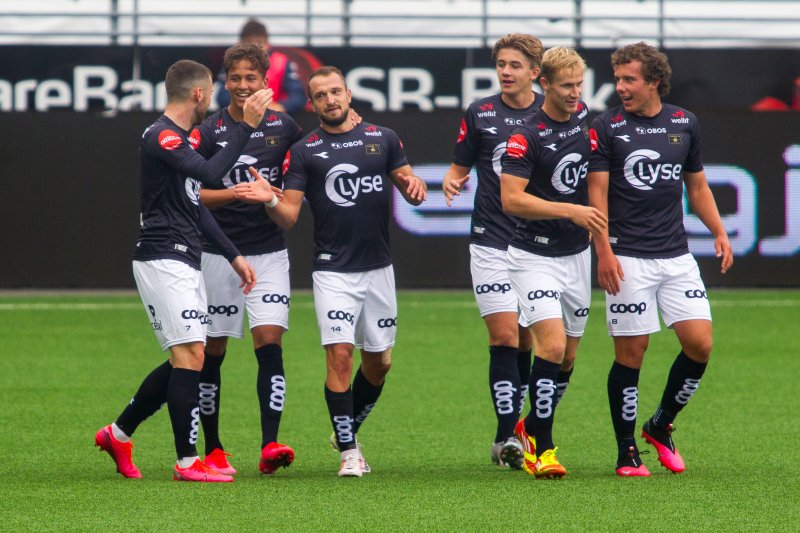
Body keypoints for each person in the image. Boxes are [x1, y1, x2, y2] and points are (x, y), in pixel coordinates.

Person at [234, 66, 427, 477]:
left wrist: (413, 186)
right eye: (321, 95)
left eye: (335, 92)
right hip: (332, 272)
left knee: (380, 363)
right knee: (340, 358)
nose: (330, 100)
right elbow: (288, 216)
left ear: (349, 93)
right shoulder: (305, 150)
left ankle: (345, 428)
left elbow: (406, 179)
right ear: (313, 103)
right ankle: (349, 452)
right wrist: (270, 197)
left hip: (378, 269)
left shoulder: (383, 138)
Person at [94, 59, 271, 482]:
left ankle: (118, 434)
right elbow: (209, 174)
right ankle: (188, 461)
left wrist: (232, 254)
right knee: (192, 354)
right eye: (211, 90)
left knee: (184, 359)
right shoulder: (161, 135)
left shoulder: (185, 138)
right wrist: (247, 125)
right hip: (161, 256)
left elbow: (194, 204)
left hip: (185, 257)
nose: (212, 98)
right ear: (197, 93)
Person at [587, 42, 733, 477]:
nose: (621, 88)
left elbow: (698, 186)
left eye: (629, 79)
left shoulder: (684, 122)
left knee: (700, 344)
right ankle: (626, 449)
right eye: (618, 80)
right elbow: (596, 193)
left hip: (676, 256)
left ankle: (661, 423)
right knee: (633, 352)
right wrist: (605, 252)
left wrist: (719, 230)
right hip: (627, 256)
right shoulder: (606, 125)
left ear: (653, 81)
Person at [192, 43, 304, 476]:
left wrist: (272, 196)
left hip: (270, 252)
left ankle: (270, 443)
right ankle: (215, 447)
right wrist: (238, 193)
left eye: (250, 78)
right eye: (234, 78)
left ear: (265, 82)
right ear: (225, 82)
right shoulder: (209, 129)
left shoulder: (285, 127)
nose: (242, 86)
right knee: (212, 351)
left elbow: (300, 179)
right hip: (218, 253)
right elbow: (194, 195)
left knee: (269, 345)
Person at [499, 47, 607, 479]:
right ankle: (542, 449)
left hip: (576, 256)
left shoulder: (588, 123)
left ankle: (530, 427)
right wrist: (570, 210)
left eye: (579, 85)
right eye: (566, 86)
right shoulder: (526, 134)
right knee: (552, 346)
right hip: (532, 256)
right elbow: (511, 199)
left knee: (567, 359)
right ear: (544, 83)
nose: (575, 93)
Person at [441, 33, 544, 470]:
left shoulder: (556, 112)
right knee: (503, 335)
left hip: (540, 246)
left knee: (527, 339)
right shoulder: (480, 112)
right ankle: (505, 437)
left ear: (535, 72)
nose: (505, 71)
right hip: (489, 239)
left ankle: (522, 428)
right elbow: (459, 166)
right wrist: (451, 179)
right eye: (501, 64)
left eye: (515, 65)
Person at [216, 18, 306, 115]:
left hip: (274, 120)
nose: (254, 48)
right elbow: (222, 97)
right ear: (239, 43)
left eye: (259, 43)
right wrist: (249, 106)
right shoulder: (232, 62)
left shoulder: (281, 62)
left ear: (268, 44)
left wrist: (280, 106)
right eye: (249, 43)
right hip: (239, 120)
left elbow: (298, 96)